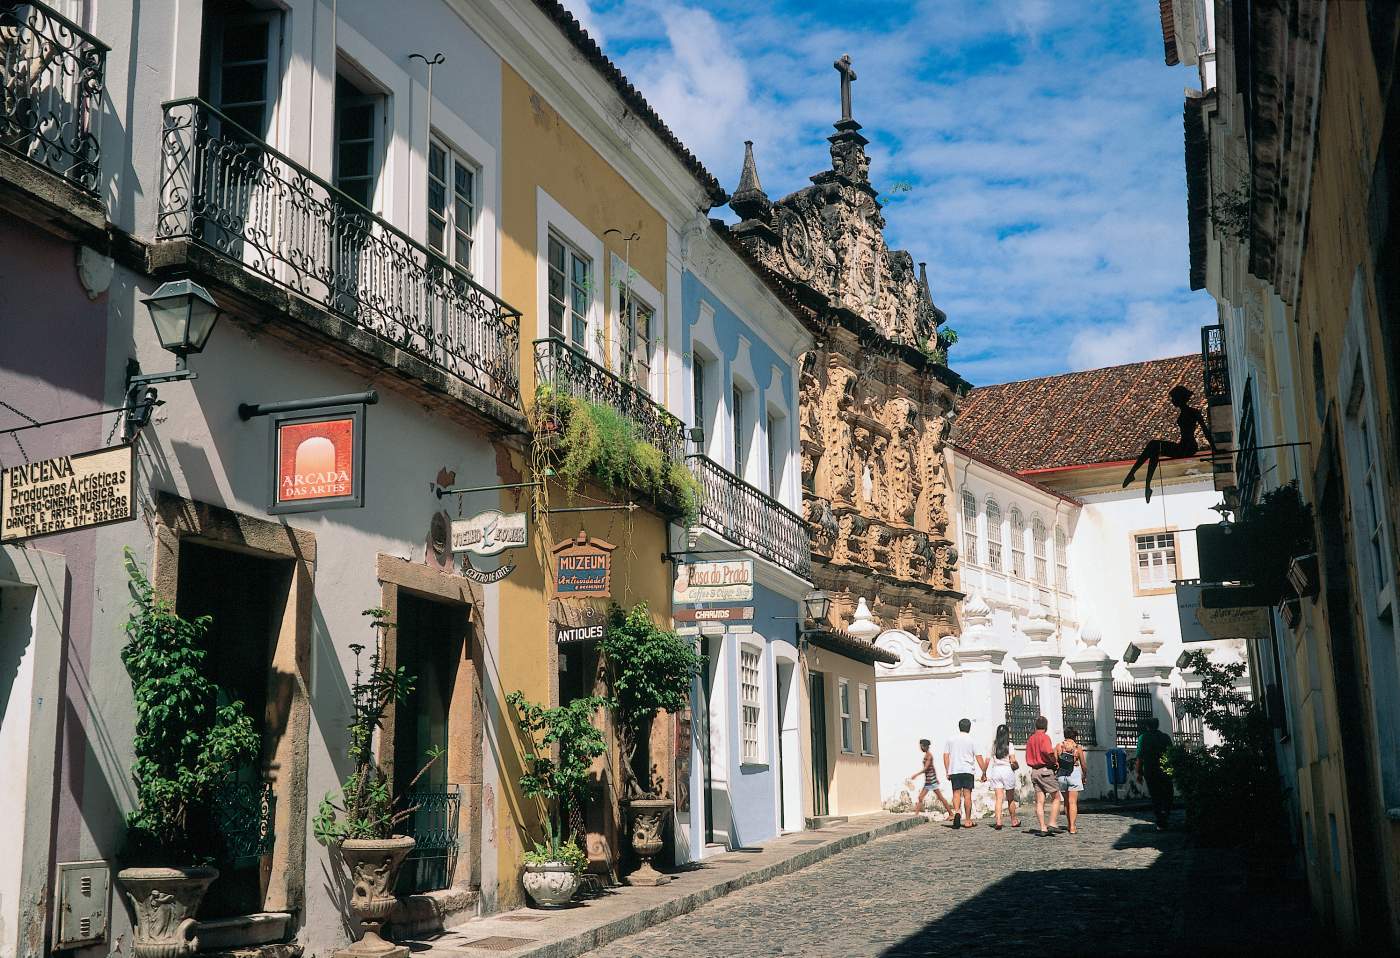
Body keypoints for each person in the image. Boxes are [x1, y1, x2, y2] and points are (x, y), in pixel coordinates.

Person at [1121, 384, 1216, 503]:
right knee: (1155, 450)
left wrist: (1214, 449)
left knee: (1153, 445)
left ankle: (1134, 475)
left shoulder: (1193, 412)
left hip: (1188, 447)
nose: (1172, 401)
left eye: (1173, 398)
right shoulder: (1187, 412)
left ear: (1179, 398)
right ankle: (1146, 485)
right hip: (1183, 446)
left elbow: (1205, 431)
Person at [1024, 715, 1061, 836]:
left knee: (1040, 801)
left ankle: (1042, 827)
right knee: (1056, 797)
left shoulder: (1031, 739)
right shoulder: (1044, 738)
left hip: (1034, 771)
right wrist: (1054, 762)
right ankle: (1052, 822)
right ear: (1046, 726)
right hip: (1045, 770)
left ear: (1036, 726)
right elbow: (1048, 752)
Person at [1136, 716, 1175, 830]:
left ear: (1147, 726)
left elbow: (1139, 757)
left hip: (1150, 770)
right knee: (1168, 794)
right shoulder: (1165, 737)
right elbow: (1171, 754)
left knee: (1155, 795)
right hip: (1165, 770)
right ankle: (1165, 815)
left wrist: (1139, 773)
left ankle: (1160, 820)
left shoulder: (1143, 738)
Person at [943, 718, 983, 829]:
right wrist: (984, 771)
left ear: (959, 727)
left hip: (955, 770)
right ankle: (968, 820)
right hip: (968, 770)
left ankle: (957, 812)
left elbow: (946, 755)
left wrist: (947, 770)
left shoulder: (951, 739)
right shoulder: (972, 740)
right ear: (969, 727)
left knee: (956, 793)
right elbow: (978, 757)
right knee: (967, 795)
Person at [980, 723, 1020, 830]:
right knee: (1010, 798)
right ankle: (1013, 820)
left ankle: (998, 821)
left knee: (998, 798)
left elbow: (987, 761)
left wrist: (983, 773)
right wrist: (1015, 764)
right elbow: (1012, 760)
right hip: (1007, 771)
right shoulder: (1009, 745)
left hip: (996, 771)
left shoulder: (993, 745)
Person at [1053, 727, 1088, 834]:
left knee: (1067, 802)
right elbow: (1083, 764)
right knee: (1073, 802)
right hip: (1074, 774)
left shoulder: (1059, 746)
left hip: (1062, 776)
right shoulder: (1077, 747)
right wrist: (1084, 776)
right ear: (1075, 736)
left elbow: (1055, 763)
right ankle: (1072, 827)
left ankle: (1069, 824)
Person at [908, 738, 954, 817]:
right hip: (929, 781)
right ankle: (916, 814)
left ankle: (951, 813)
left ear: (925, 746)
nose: (920, 748)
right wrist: (937, 778)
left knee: (940, 798)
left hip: (931, 781)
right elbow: (932, 767)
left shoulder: (929, 756)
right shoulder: (927, 755)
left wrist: (916, 774)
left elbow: (926, 768)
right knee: (921, 797)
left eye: (921, 746)